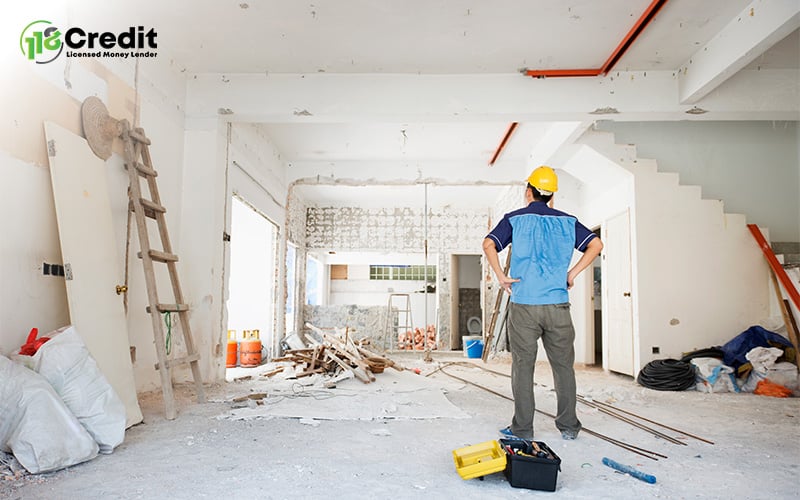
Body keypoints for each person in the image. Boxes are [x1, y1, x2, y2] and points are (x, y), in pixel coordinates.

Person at [482, 166, 603, 440]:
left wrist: (501, 276)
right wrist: (571, 274)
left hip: (524, 305)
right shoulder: (568, 221)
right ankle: (569, 428)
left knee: (523, 368)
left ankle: (522, 429)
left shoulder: (514, 219)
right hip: (558, 305)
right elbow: (596, 245)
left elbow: (489, 244)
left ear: (529, 192)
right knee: (563, 367)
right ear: (552, 197)